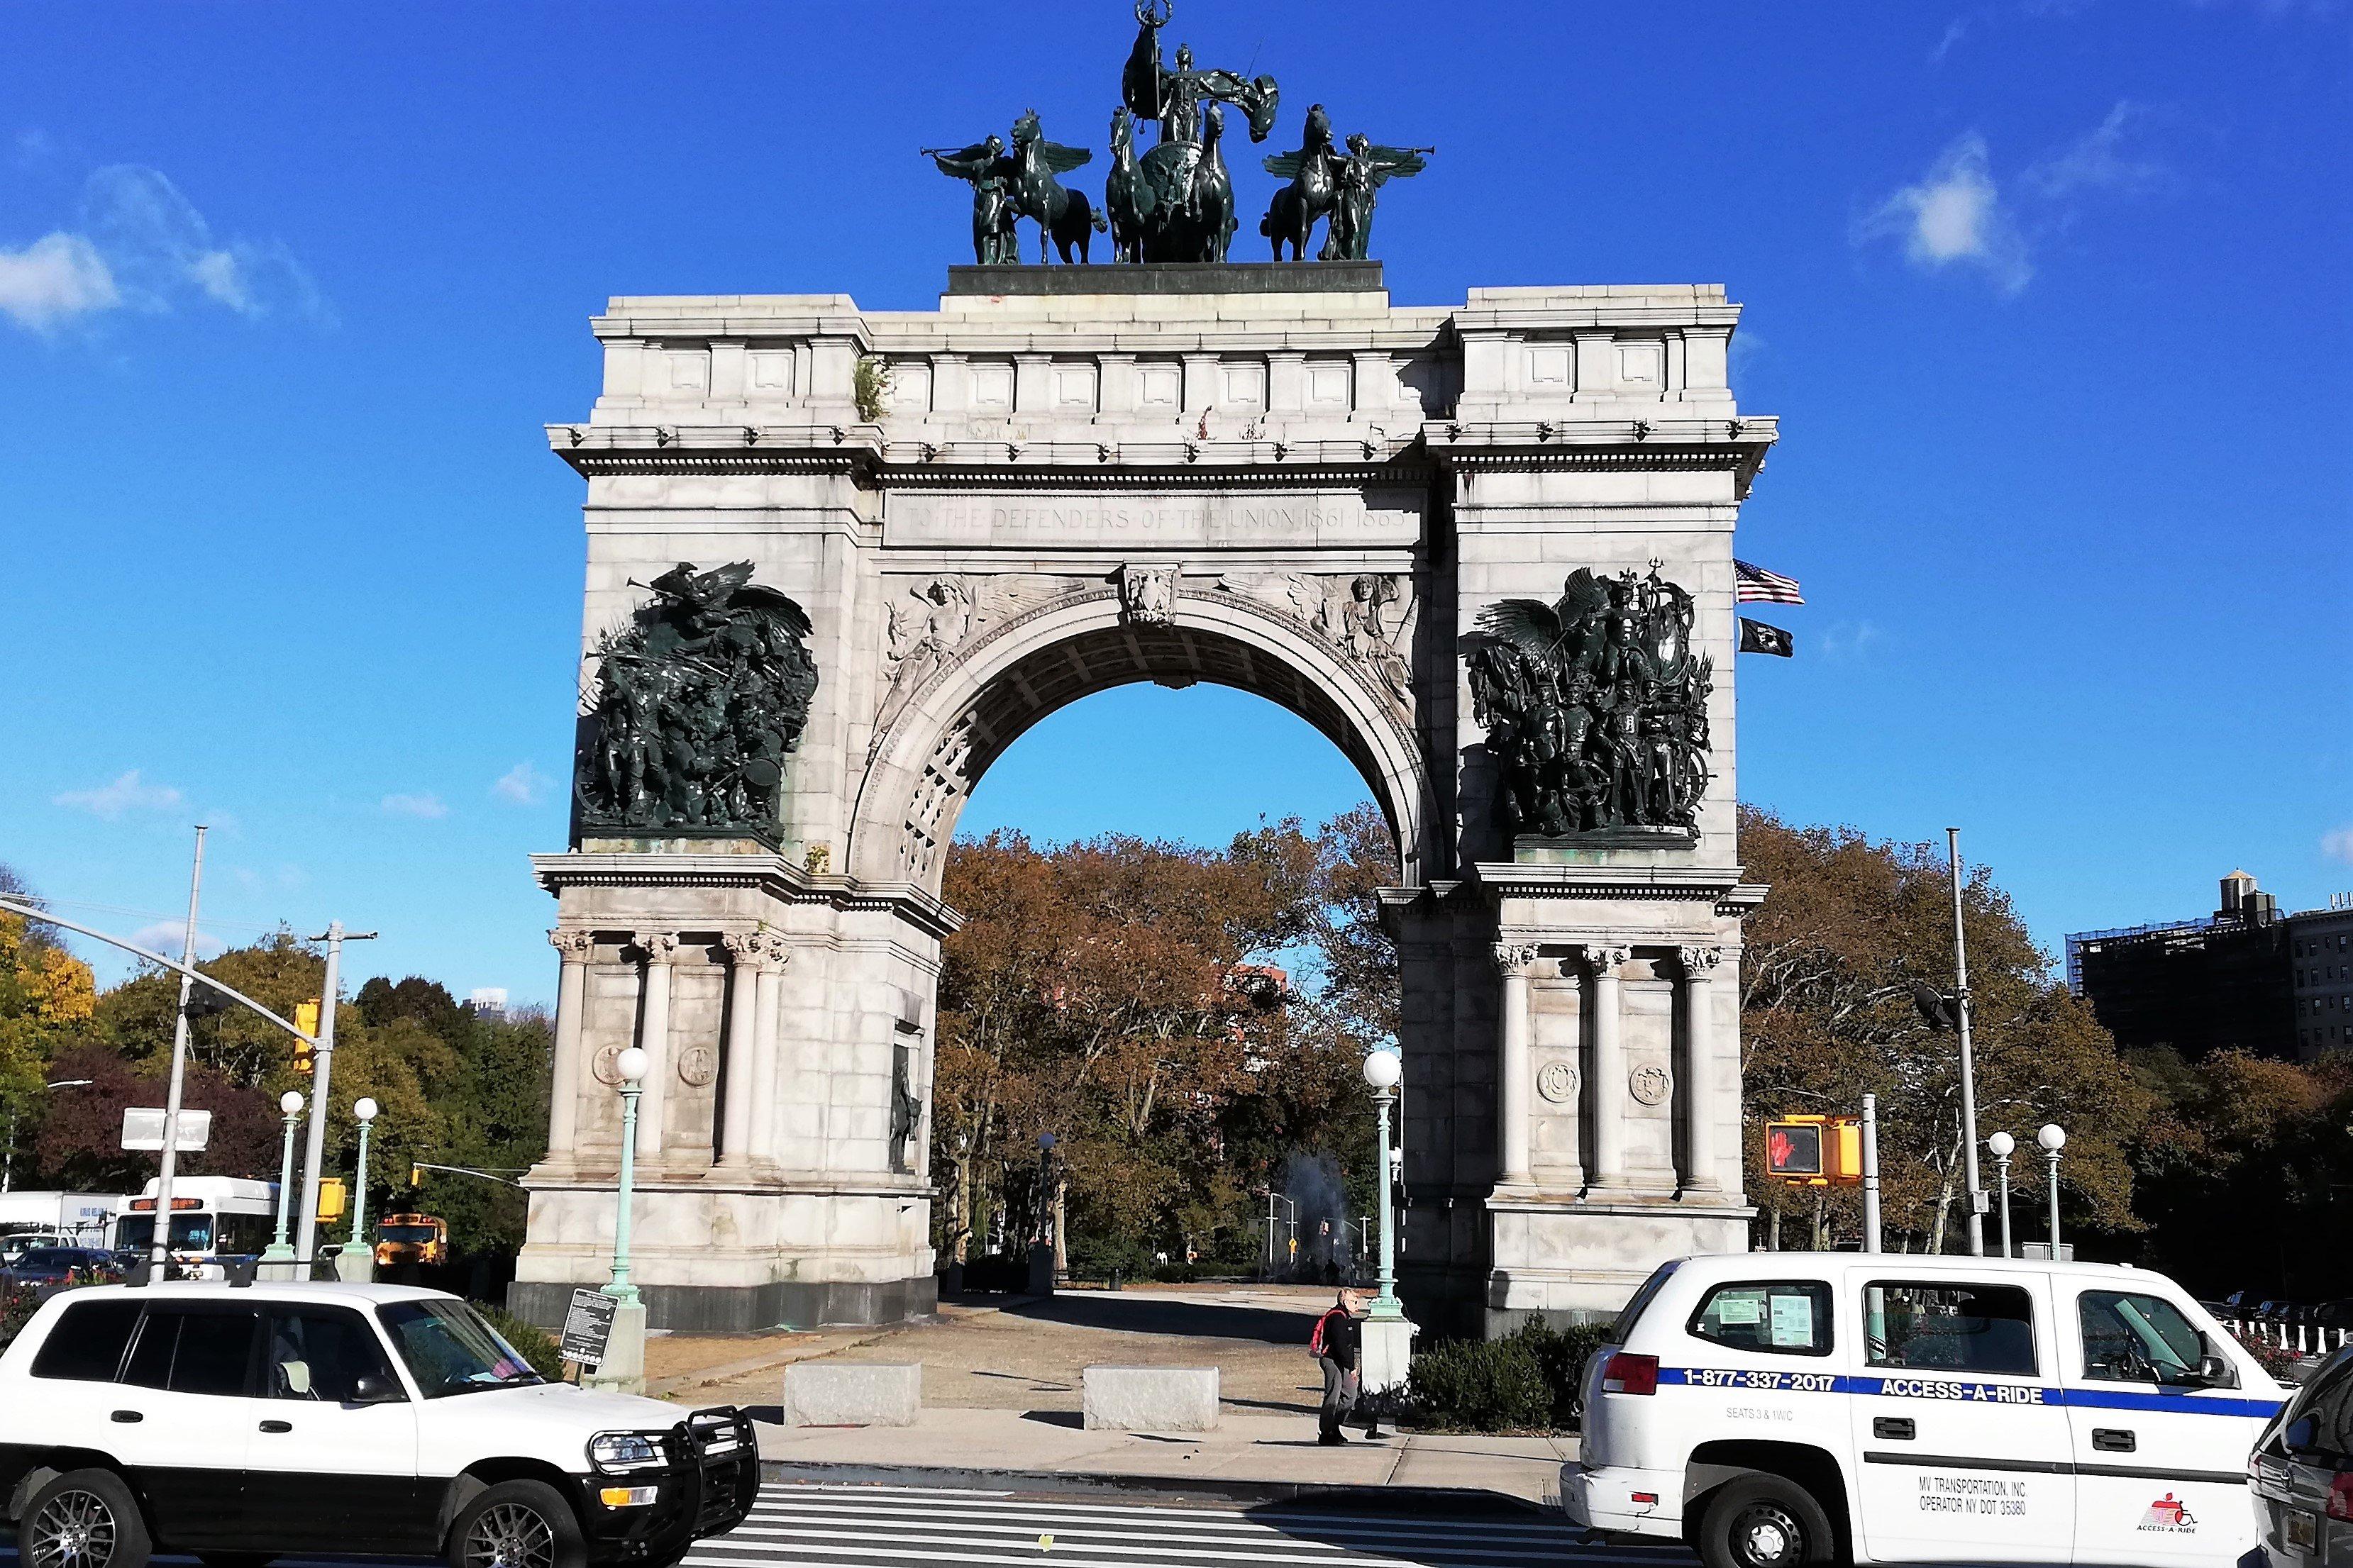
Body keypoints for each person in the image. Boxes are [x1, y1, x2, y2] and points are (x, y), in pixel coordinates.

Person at [1311, 1289, 1362, 1445]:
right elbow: (1340, 1346)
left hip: (1342, 1361)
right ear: (1345, 1302)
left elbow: (1348, 1347)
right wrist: (1351, 1366)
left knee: (1350, 1394)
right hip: (1331, 1361)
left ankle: (1334, 1425)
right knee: (1333, 1396)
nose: (1357, 1305)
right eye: (1354, 1301)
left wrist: (1350, 1365)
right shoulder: (1337, 1318)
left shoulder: (1346, 1317)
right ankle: (1326, 1433)